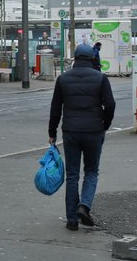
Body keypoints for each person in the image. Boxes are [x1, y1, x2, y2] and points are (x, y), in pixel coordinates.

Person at [48, 42, 116, 231]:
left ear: (75, 58)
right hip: (94, 131)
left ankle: (71, 220)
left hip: (70, 131)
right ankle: (84, 206)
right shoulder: (101, 78)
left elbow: (55, 109)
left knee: (72, 175)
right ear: (92, 58)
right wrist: (105, 124)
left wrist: (52, 133)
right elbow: (110, 105)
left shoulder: (63, 78)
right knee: (91, 171)